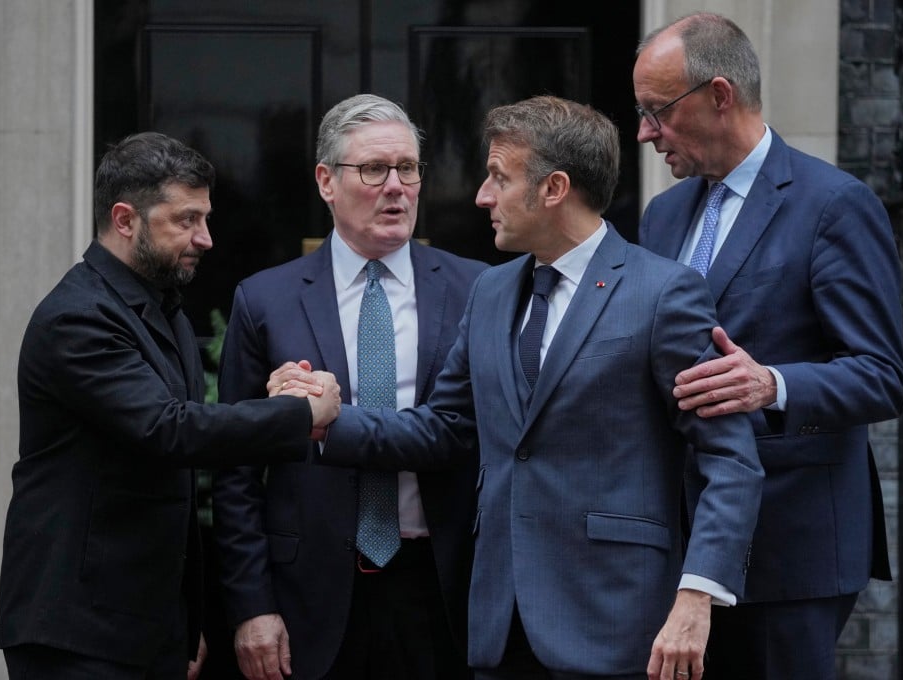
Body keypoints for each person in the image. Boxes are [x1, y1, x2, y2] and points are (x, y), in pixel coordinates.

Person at [279, 95, 764, 679]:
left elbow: (730, 462)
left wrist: (696, 597)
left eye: (498, 178)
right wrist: (328, 418)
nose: (482, 196)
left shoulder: (664, 294)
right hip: (497, 624)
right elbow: (446, 426)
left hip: (619, 623)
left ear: (553, 188)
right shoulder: (490, 292)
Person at [0, 131, 341, 680]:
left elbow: (174, 459)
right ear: (125, 219)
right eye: (185, 220)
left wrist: (182, 621)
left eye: (205, 218)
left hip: (141, 626)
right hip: (77, 634)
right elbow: (169, 430)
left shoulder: (162, 310)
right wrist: (301, 414)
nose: (205, 238)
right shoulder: (78, 317)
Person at [633, 13, 903, 680]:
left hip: (791, 546)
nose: (645, 132)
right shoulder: (663, 214)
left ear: (719, 95)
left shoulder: (834, 205)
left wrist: (774, 386)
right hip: (678, 544)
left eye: (657, 111)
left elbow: (884, 375)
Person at [211, 94, 487, 680]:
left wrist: (323, 419)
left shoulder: (477, 291)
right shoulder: (265, 300)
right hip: (307, 594)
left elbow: (477, 434)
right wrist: (251, 605)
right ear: (326, 182)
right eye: (373, 170)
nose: (396, 187)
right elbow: (235, 473)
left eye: (408, 168)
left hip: (442, 589)